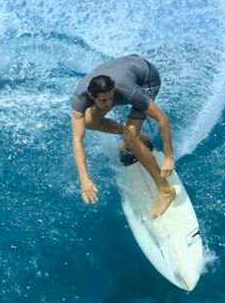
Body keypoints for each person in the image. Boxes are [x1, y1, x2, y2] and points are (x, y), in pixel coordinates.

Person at [70, 54, 177, 219]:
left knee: (129, 138)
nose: (110, 103)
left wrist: (169, 157)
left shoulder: (126, 89)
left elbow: (162, 119)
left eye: (111, 97)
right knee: (89, 121)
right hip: (126, 68)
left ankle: (165, 190)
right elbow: (77, 140)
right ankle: (138, 136)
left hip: (147, 78)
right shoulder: (80, 98)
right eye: (104, 100)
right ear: (92, 97)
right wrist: (84, 178)